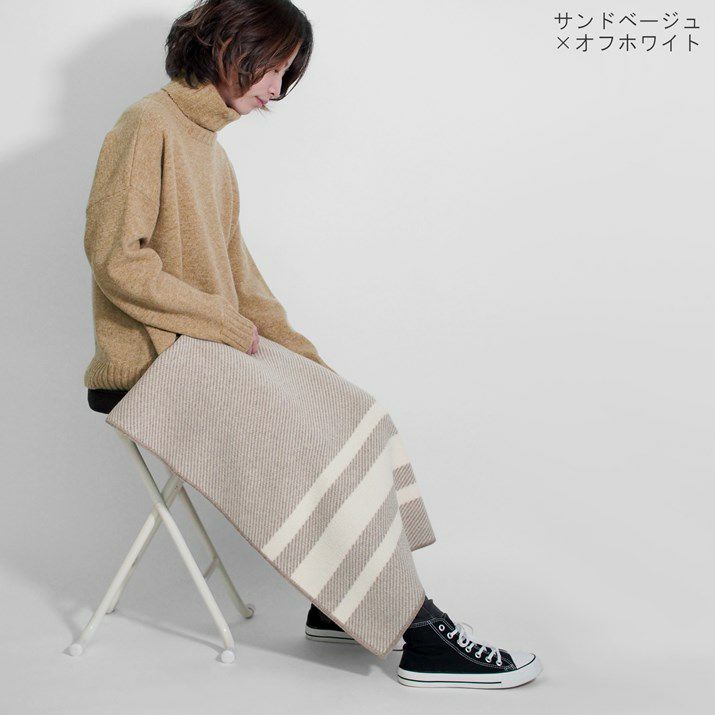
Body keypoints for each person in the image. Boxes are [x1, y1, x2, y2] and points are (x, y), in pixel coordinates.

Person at [82, 0, 542, 689]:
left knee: (352, 409)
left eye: (286, 73)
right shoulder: (146, 123)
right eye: (269, 68)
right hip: (150, 360)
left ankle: (340, 602)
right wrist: (224, 325)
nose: (276, 89)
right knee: (300, 439)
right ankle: (415, 631)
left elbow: (244, 282)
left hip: (203, 347)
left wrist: (306, 363)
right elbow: (117, 258)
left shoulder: (212, 153)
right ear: (224, 46)